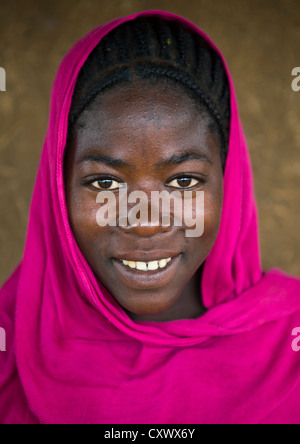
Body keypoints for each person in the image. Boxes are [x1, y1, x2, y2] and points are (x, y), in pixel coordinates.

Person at [0, 10, 300, 425]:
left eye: (183, 181)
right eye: (105, 184)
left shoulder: (290, 345)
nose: (144, 223)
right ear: (57, 184)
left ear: (229, 182)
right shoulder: (8, 349)